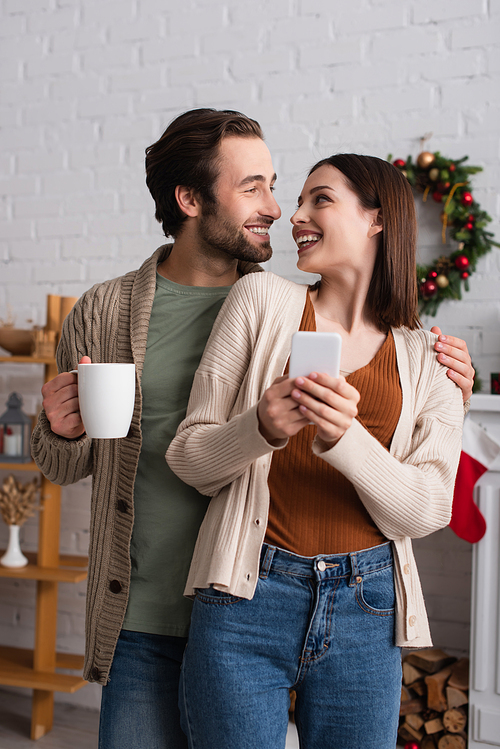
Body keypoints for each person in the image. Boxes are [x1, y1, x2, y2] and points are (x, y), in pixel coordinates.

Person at [30, 109, 472, 749]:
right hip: (153, 611)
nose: (278, 209)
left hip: (269, 592)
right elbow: (67, 462)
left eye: (283, 188)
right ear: (190, 200)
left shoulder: (284, 304)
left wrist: (441, 384)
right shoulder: (112, 309)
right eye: (255, 188)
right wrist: (62, 429)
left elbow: (425, 493)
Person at [166, 154, 466, 749]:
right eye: (297, 201)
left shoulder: (429, 357)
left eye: (319, 199)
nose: (294, 216)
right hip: (247, 596)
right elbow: (189, 457)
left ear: (376, 219)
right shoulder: (260, 301)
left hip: (369, 607)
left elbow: (429, 509)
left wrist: (344, 441)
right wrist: (262, 428)